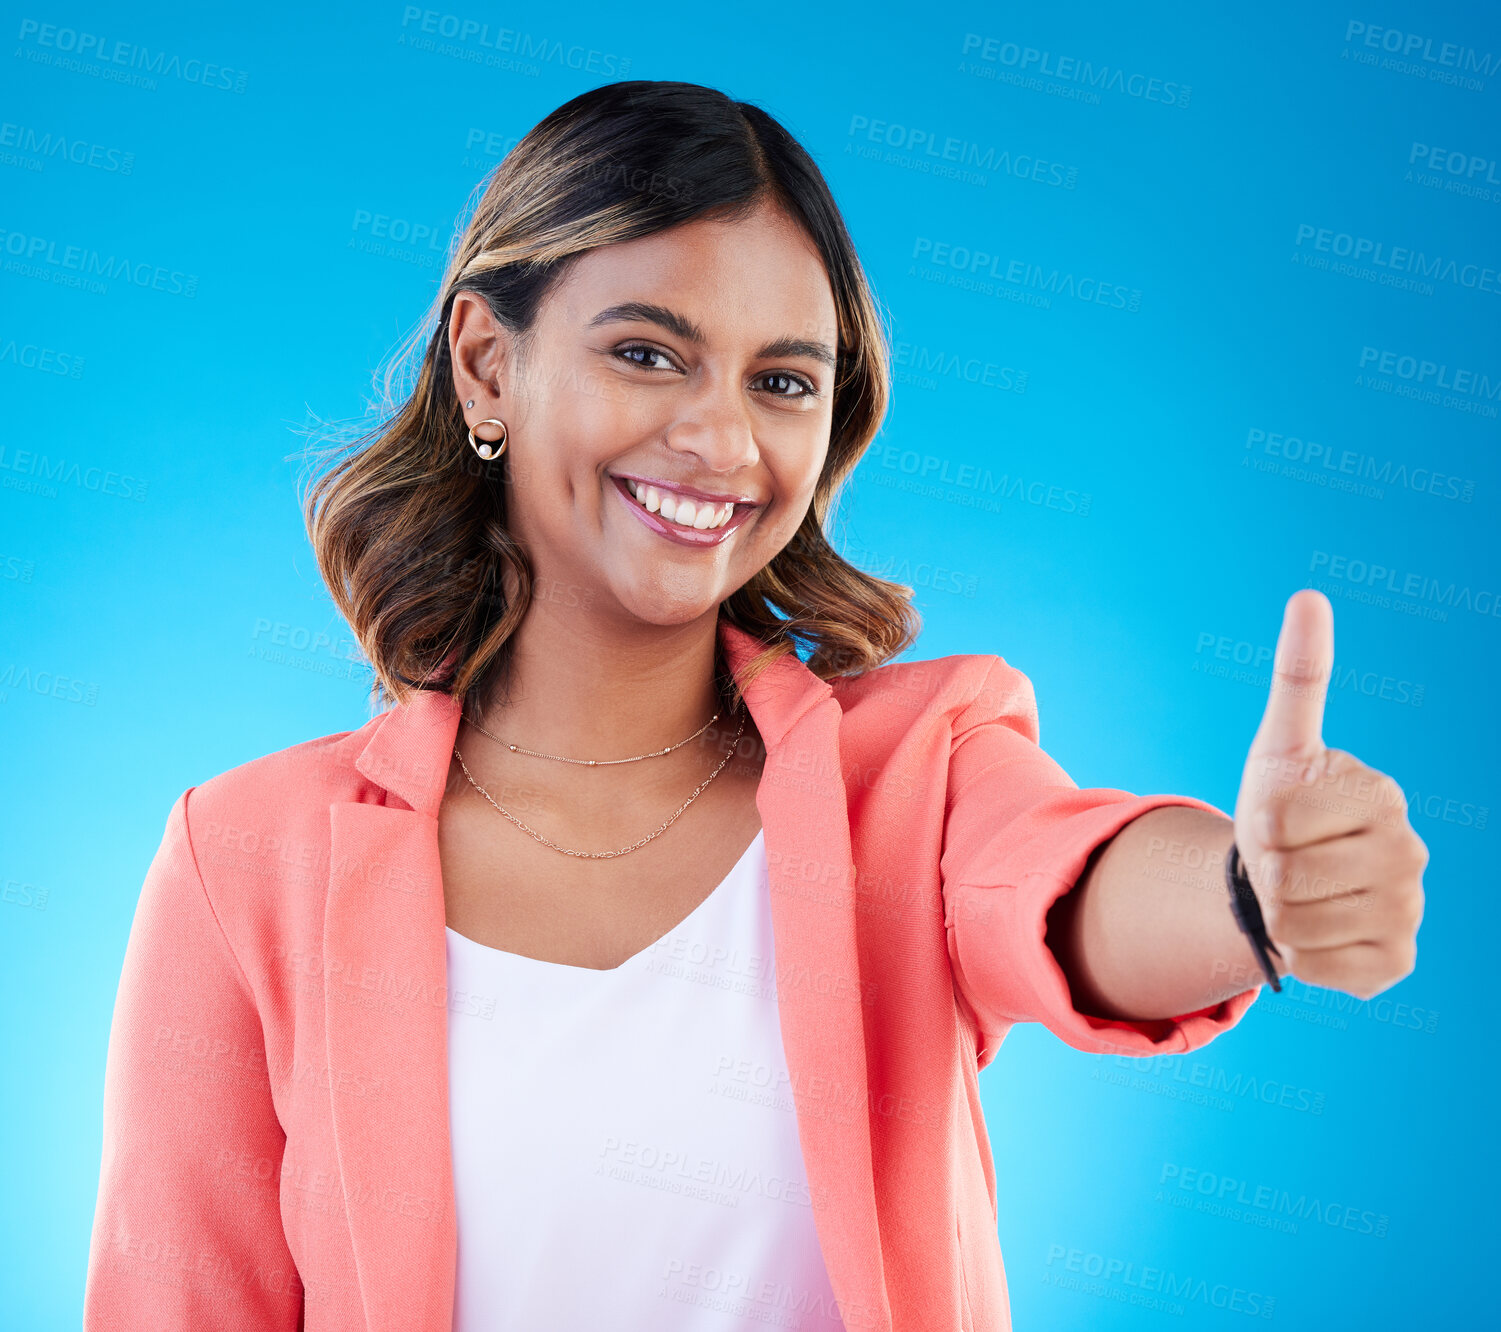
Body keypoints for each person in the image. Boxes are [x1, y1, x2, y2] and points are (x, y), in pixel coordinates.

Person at [82, 80, 1426, 1332]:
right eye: (650, 354)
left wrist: (1251, 899)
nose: (721, 444)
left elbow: (1065, 891)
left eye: (781, 381)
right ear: (488, 365)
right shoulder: (245, 858)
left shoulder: (910, 774)